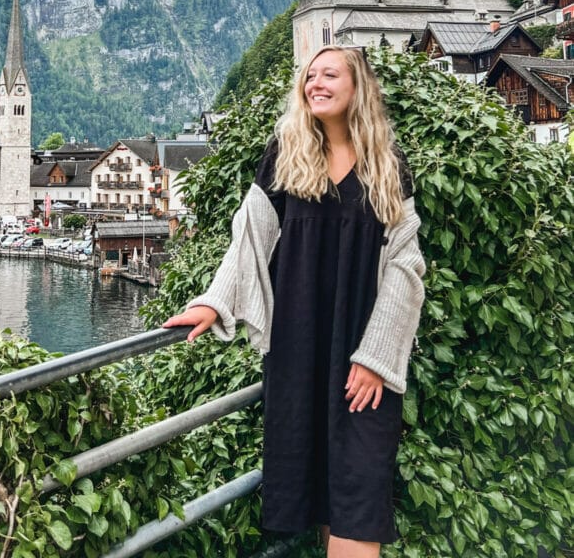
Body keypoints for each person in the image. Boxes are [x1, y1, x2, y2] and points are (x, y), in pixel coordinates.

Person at [164, 46, 425, 558]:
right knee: (323, 509)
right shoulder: (286, 152)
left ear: (358, 88)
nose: (315, 83)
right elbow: (252, 236)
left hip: (363, 368)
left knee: (357, 505)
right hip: (299, 354)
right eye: (309, 76)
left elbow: (405, 264)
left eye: (330, 74)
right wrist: (215, 302)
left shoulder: (388, 165)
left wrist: (375, 359)